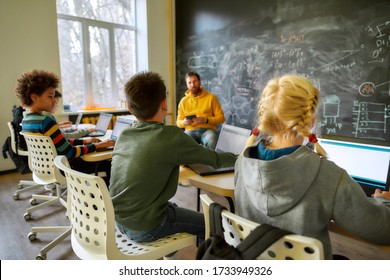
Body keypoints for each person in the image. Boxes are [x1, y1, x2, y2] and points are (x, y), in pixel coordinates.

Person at [234, 74, 390, 260]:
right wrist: (383, 201)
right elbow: (382, 230)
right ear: (311, 121)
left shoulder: (242, 162)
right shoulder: (329, 176)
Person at [109, 71, 237, 247]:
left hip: (118, 221)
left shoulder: (124, 135)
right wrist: (243, 158)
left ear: (130, 108)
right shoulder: (170, 137)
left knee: (174, 209)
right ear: (164, 104)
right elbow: (215, 159)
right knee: (214, 224)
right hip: (146, 227)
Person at [15, 69, 115, 185]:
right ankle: (103, 200)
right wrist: (97, 146)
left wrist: (85, 141)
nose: (54, 101)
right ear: (34, 97)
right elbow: (69, 153)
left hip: (47, 167)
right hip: (65, 168)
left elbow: (57, 143)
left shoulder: (27, 120)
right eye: (50, 96)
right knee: (108, 163)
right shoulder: (46, 121)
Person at [176, 72, 225, 150]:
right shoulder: (183, 101)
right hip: (190, 130)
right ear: (187, 85)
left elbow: (221, 118)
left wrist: (205, 120)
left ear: (199, 82)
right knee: (184, 141)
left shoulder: (211, 98)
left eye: (194, 81)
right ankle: (189, 162)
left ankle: (210, 162)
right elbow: (178, 122)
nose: (192, 85)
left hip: (207, 130)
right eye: (189, 82)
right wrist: (184, 123)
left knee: (211, 139)